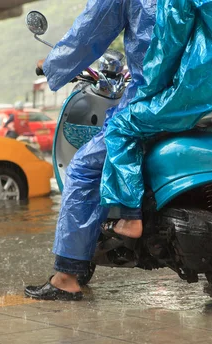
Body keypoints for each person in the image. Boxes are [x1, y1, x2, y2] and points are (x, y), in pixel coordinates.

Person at [99, 0, 212, 235]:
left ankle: (131, 218)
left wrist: (146, 92)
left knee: (120, 125)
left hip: (201, 92)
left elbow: (167, 46)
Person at [24, 0, 157, 301]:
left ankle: (66, 278)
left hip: (155, 97)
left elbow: (91, 30)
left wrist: (52, 63)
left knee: (84, 166)